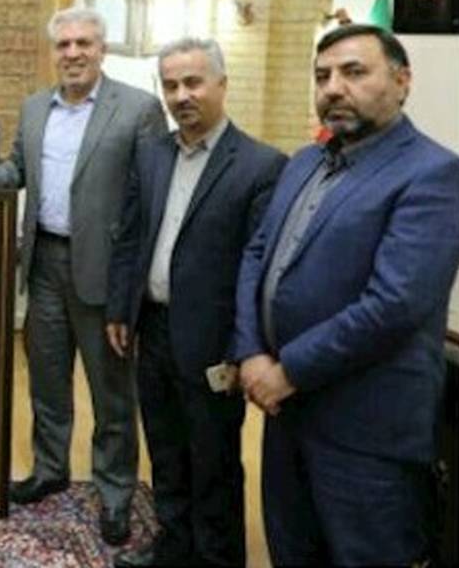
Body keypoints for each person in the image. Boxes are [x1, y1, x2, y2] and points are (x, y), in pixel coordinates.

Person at [233, 23, 459, 565]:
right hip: (287, 415)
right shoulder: (305, 161)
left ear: (402, 81)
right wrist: (250, 352)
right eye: (323, 76)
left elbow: (394, 304)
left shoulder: (434, 173)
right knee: (292, 550)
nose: (334, 88)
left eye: (354, 72)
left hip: (365, 430)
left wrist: (287, 370)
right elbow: (256, 255)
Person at [0, 8, 166, 545]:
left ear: (102, 49)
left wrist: (130, 289)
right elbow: (20, 166)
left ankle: (115, 491)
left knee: (111, 393)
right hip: (42, 262)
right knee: (47, 380)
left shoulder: (138, 109)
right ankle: (49, 469)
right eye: (64, 44)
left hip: (105, 273)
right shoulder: (34, 107)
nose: (73, 53)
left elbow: (150, 195)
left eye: (83, 43)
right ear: (54, 52)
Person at [106, 38, 286, 567]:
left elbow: (258, 270)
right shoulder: (151, 153)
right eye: (170, 85)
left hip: (215, 343)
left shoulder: (260, 165)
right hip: (154, 329)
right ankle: (173, 546)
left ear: (221, 84)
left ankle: (216, 557)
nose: (181, 95)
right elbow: (131, 236)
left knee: (213, 463)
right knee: (165, 451)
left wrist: (243, 347)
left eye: (193, 82)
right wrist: (120, 307)